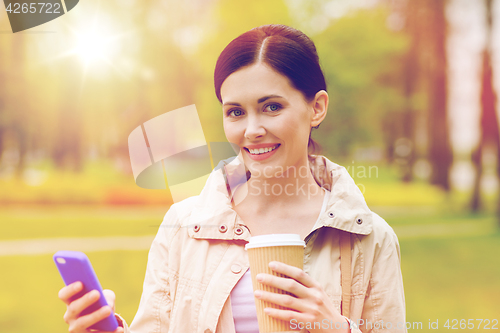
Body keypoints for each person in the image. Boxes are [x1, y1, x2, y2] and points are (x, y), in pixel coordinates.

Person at [58, 24, 406, 333]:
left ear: (316, 108)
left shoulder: (370, 240)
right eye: (236, 112)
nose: (252, 130)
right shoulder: (183, 226)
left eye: (272, 107)